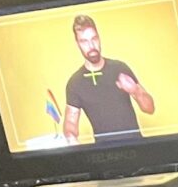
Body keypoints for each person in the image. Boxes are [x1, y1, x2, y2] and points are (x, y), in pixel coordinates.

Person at [58, 14, 155, 144]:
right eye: (84, 41)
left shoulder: (120, 68)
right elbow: (70, 123)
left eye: (94, 38)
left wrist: (135, 90)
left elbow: (149, 109)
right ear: (78, 44)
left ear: (99, 38)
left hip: (136, 147)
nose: (91, 46)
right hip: (104, 154)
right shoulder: (75, 83)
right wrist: (71, 139)